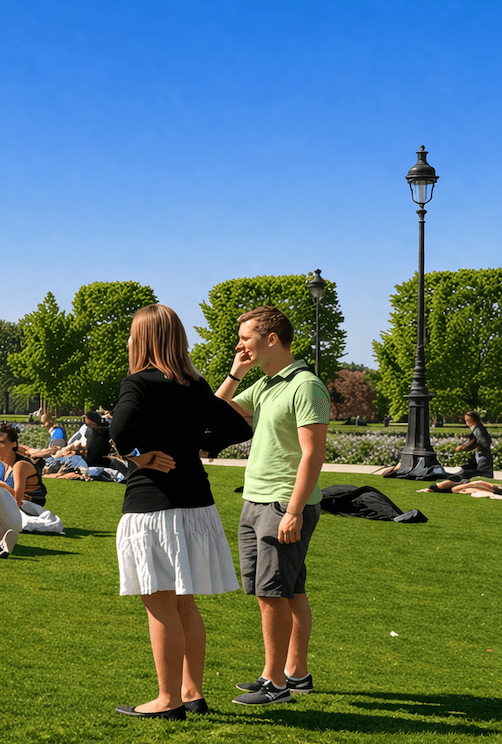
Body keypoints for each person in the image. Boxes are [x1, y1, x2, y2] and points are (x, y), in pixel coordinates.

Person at [111, 304, 253, 720]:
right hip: (197, 505)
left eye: (133, 334)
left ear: (144, 339)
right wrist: (202, 447)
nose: (128, 341)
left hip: (154, 507)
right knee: (185, 603)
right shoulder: (194, 385)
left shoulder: (138, 383)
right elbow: (240, 428)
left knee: (160, 604)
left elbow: (117, 435)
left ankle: (167, 699)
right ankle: (192, 692)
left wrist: (140, 456)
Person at [214, 305, 329, 706]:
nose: (240, 343)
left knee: (272, 592)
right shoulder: (265, 385)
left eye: (246, 337)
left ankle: (274, 682)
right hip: (256, 499)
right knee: (289, 591)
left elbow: (313, 454)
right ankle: (296, 674)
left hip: (282, 503)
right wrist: (237, 371)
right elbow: (213, 412)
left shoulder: (306, 385)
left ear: (272, 339)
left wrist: (295, 510)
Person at [417, 411, 493, 492]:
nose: (467, 423)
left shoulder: (477, 429)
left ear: (473, 420)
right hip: (481, 457)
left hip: (482, 456)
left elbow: (477, 441)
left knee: (479, 473)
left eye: (468, 420)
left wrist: (463, 447)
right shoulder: (477, 428)